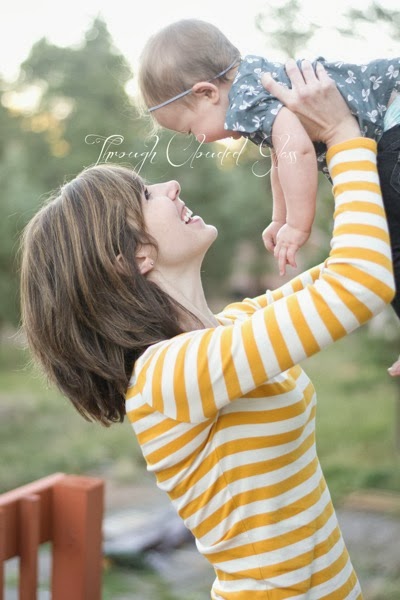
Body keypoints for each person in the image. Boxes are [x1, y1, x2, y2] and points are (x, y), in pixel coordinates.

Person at [20, 61, 395, 598]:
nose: (171, 185)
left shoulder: (230, 326)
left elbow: (354, 271)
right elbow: (360, 282)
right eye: (146, 196)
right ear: (132, 257)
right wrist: (342, 136)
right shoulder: (167, 375)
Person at [137, 18, 400, 374]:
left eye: (190, 129)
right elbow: (282, 157)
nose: (198, 138)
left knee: (390, 238)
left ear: (207, 93)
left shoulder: (246, 100)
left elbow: (298, 152)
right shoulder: (255, 88)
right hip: (389, 113)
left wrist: (298, 226)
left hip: (390, 119)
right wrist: (280, 217)